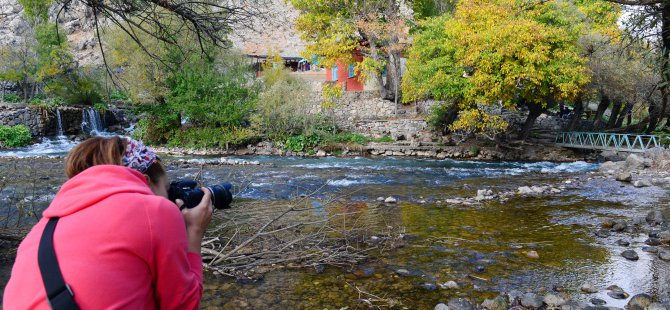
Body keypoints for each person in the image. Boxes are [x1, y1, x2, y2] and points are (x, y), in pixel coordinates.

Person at [3, 136, 213, 309]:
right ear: (146, 182)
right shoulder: (155, 210)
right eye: (166, 189)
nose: (167, 198)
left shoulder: (40, 230)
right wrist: (194, 231)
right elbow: (183, 305)